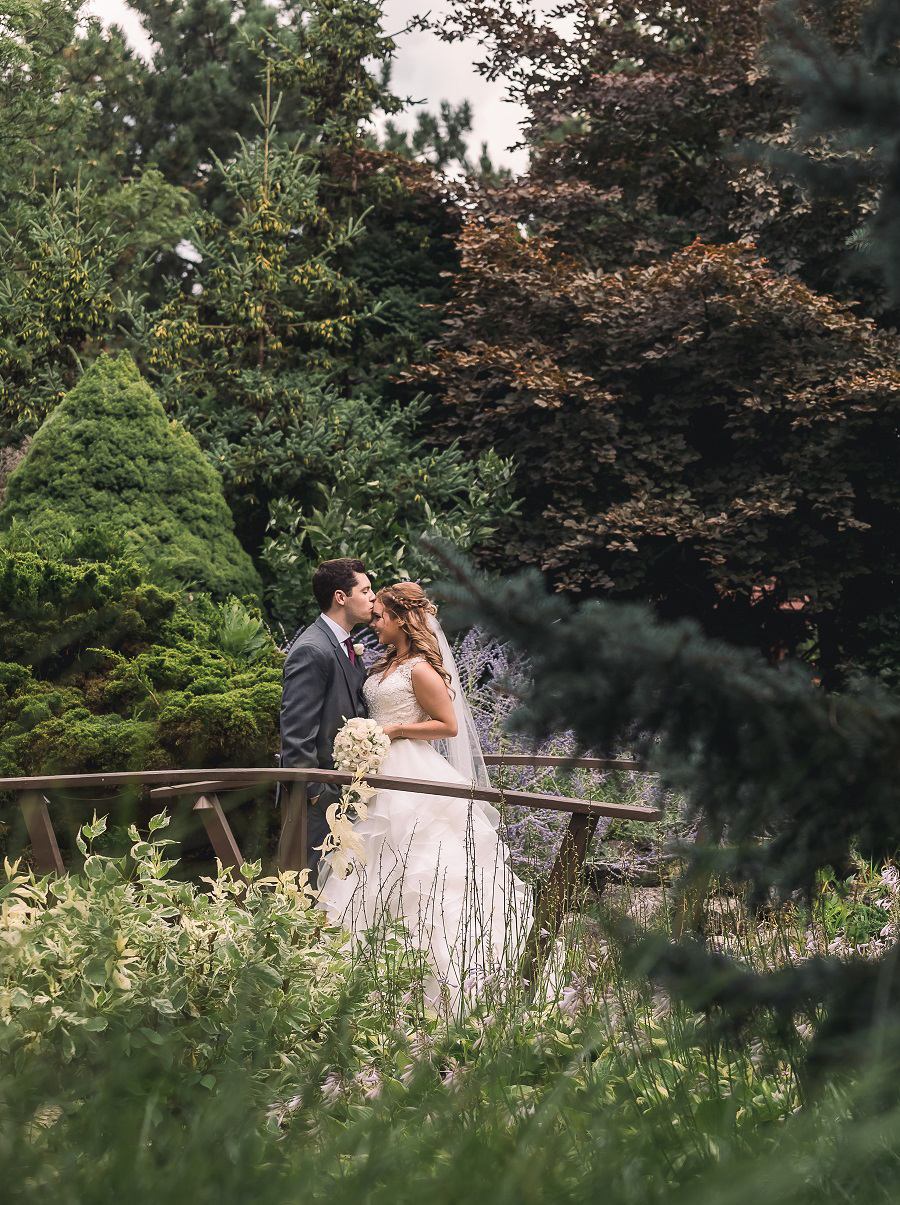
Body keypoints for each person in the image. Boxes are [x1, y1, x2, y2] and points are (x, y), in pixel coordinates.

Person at [318, 582, 533, 1010]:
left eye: (380, 616)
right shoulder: (385, 663)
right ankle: (368, 983)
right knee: (372, 863)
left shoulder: (419, 668)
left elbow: (448, 725)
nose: (374, 622)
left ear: (401, 619)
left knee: (422, 865)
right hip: (378, 774)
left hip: (412, 772)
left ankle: (449, 986)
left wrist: (393, 730)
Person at [279, 558, 375, 875]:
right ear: (340, 597)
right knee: (310, 888)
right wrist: (319, 796)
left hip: (343, 797)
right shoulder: (312, 649)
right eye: (365, 590)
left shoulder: (344, 644)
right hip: (319, 803)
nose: (373, 597)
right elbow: (296, 736)